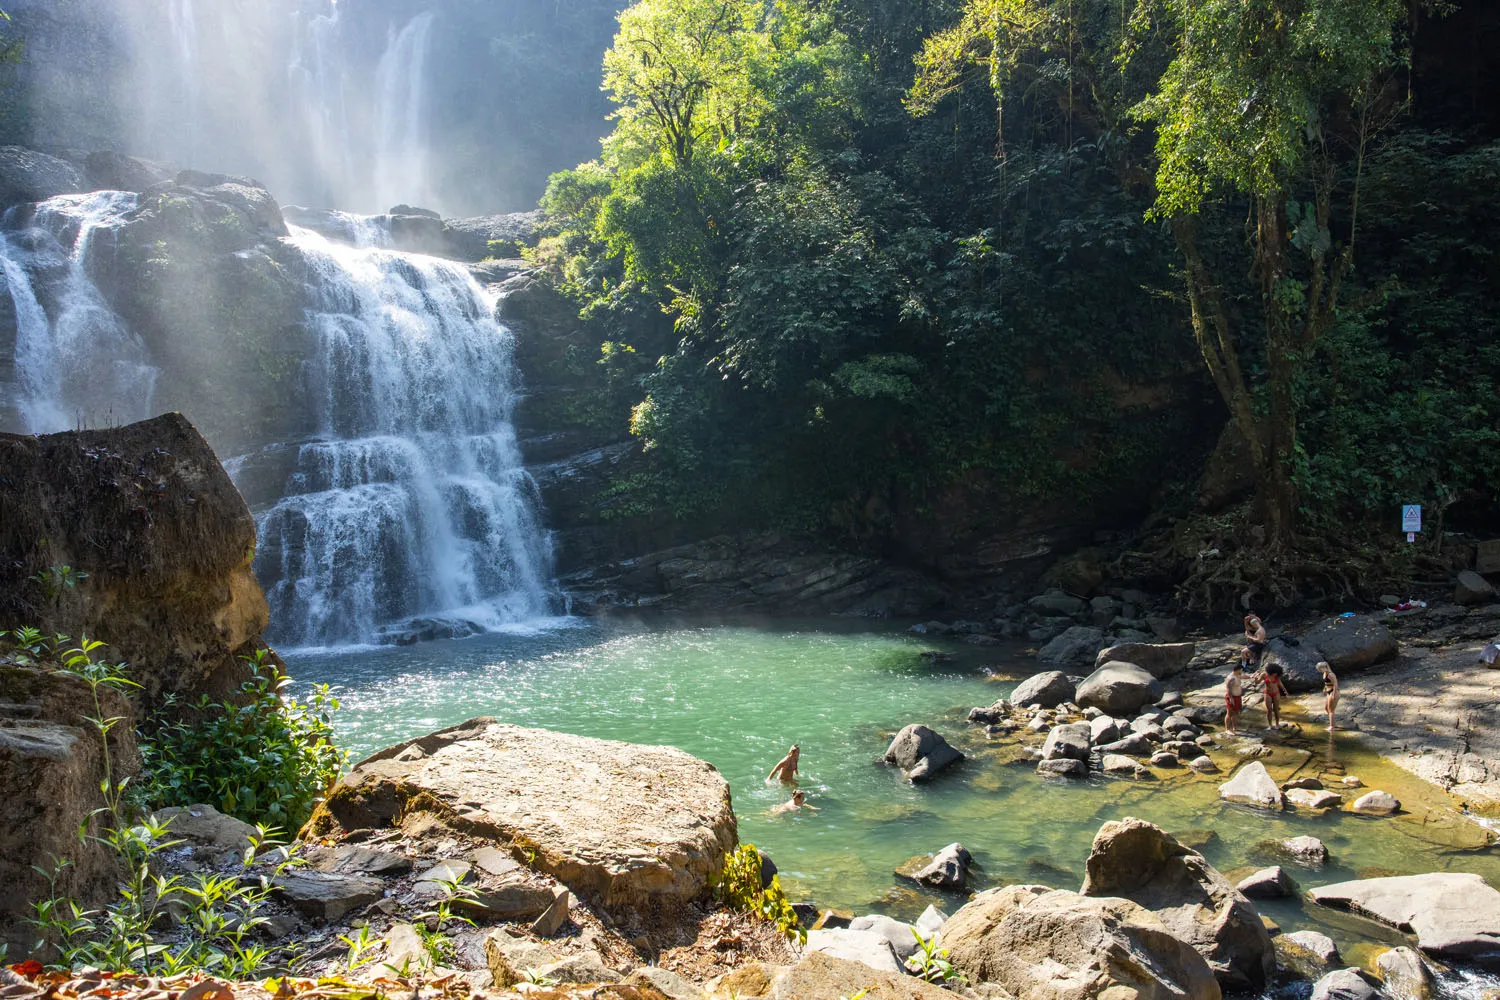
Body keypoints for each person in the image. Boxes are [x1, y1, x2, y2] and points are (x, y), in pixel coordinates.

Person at [1257, 661, 1287, 730]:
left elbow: (1280, 684)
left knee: (1276, 709)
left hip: (1276, 693)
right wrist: (1256, 678)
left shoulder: (1277, 677)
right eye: (1275, 673)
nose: (1276, 674)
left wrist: (1285, 691)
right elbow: (1257, 682)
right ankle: (1270, 725)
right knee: (1269, 709)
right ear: (1271, 672)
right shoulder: (1264, 675)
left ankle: (1277, 724)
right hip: (1267, 693)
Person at [1317, 661, 1339, 731]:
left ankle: (1332, 727)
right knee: (1326, 708)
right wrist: (1324, 689)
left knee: (1331, 710)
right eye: (1319, 669)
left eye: (1320, 668)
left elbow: (1336, 684)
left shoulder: (1331, 674)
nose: (1319, 670)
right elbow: (1327, 683)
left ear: (1325, 667)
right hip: (1328, 692)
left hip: (1333, 692)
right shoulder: (1324, 674)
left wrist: (1334, 694)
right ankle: (1334, 724)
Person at [1224, 663, 1245, 735]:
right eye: (1241, 670)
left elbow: (1243, 676)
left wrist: (1253, 675)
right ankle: (1227, 729)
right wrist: (1230, 698)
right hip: (1232, 697)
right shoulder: (1231, 678)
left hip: (1237, 697)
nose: (1241, 671)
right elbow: (1228, 688)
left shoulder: (1237, 675)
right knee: (1229, 713)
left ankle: (1235, 727)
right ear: (1238, 670)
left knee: (1236, 712)